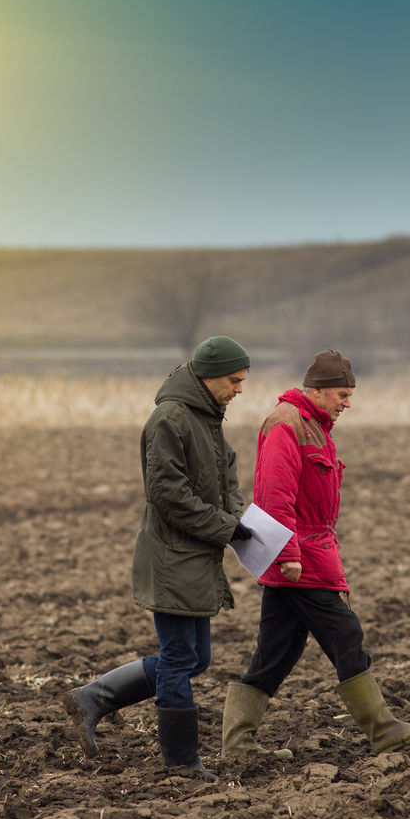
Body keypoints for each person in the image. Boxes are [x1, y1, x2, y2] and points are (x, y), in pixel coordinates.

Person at [221, 349, 410, 758]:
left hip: (306, 554)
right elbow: (274, 496)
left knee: (277, 652)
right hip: (297, 559)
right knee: (345, 633)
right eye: (342, 394)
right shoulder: (287, 425)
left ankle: (238, 744)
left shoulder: (315, 426)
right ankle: (383, 730)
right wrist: (288, 554)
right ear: (319, 391)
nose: (347, 403)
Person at [63, 335, 253, 781]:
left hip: (196, 556)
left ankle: (92, 698)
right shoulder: (170, 418)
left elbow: (228, 480)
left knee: (195, 659)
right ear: (209, 377)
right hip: (170, 558)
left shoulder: (209, 418)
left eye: (243, 380)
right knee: (177, 660)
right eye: (234, 380)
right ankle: (182, 762)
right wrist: (226, 527)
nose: (240, 389)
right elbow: (167, 495)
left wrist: (238, 518)